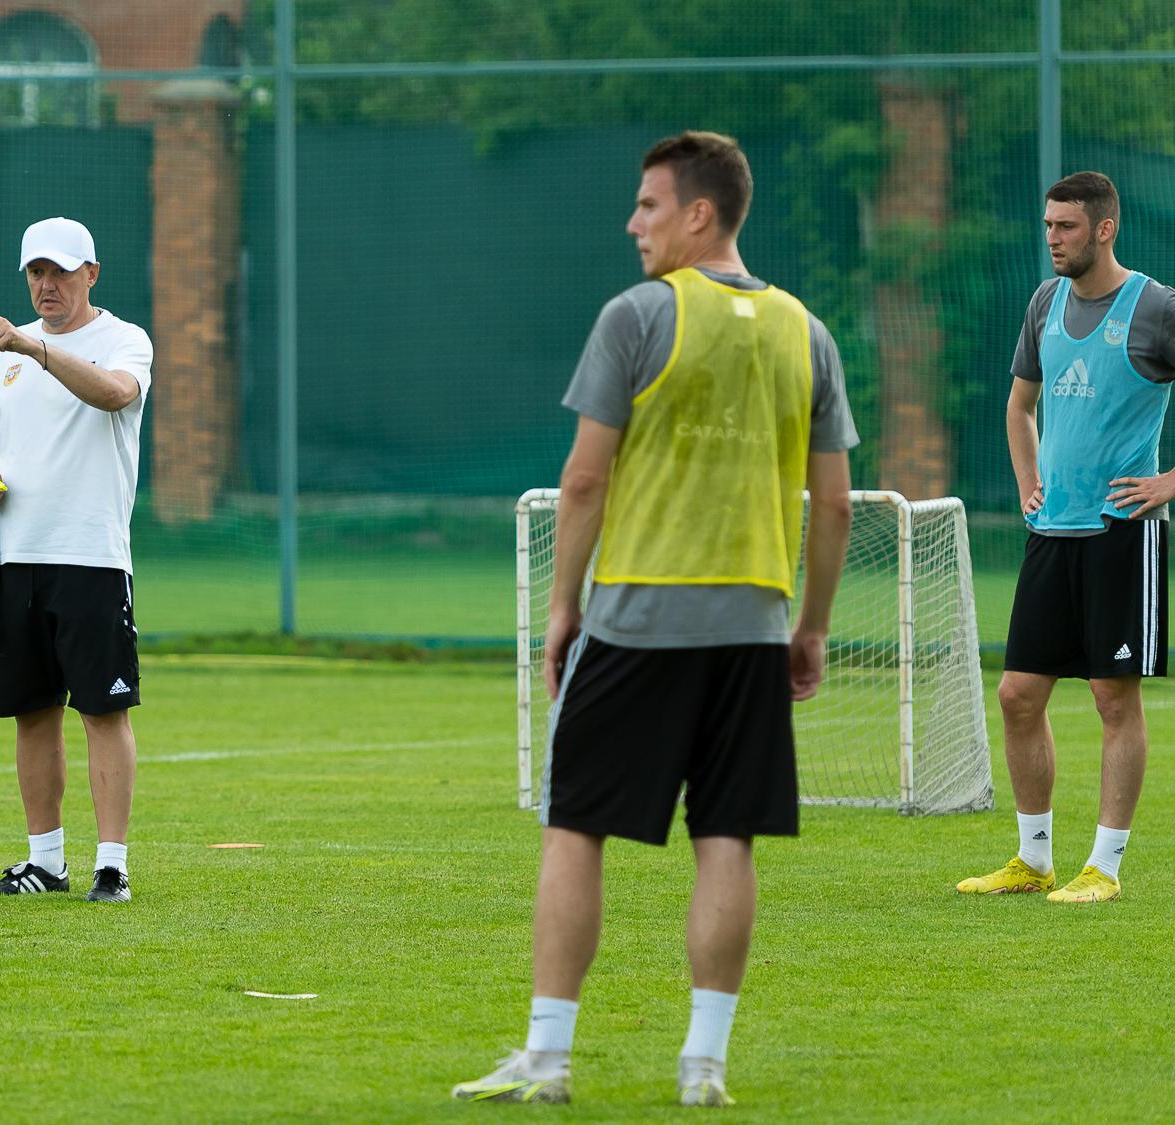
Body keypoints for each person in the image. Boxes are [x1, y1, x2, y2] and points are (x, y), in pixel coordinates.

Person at [452, 131, 857, 1108]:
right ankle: (702, 1066)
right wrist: (809, 627)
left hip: (636, 615)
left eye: (647, 205)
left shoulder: (637, 314)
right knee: (727, 837)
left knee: (573, 829)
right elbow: (837, 505)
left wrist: (562, 607)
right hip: (753, 625)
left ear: (698, 214)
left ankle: (548, 1057)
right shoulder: (805, 330)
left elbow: (584, 479)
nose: (632, 223)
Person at [958, 171, 1175, 904]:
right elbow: (1020, 407)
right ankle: (1033, 860)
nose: (1052, 237)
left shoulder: (1156, 308)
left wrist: (1167, 482)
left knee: (1113, 700)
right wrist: (1029, 482)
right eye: (1048, 224)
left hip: (1123, 532)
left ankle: (1104, 868)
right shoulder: (1044, 303)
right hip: (1052, 532)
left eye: (1066, 227)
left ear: (1105, 229)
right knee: (1018, 694)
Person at [0, 216, 153, 905]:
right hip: (9, 558)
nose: (47, 285)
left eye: (61, 272)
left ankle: (111, 866)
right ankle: (45, 862)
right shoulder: (6, 353)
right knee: (31, 711)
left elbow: (114, 394)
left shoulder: (125, 340)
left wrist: (33, 348)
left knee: (103, 710)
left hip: (89, 558)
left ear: (91, 274)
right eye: (36, 273)